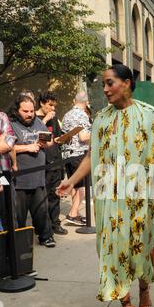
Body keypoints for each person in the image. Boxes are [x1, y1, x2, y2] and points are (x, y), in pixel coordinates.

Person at [57, 65, 154, 307]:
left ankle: (144, 288)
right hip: (109, 199)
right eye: (104, 84)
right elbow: (90, 157)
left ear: (127, 83)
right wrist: (71, 181)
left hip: (141, 197)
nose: (105, 89)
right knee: (110, 252)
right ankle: (126, 305)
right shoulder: (101, 119)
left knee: (140, 249)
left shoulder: (149, 114)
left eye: (110, 83)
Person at [10, 95, 56, 247]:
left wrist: (46, 143)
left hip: (38, 177)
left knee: (41, 211)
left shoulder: (37, 121)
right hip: (19, 180)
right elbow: (6, 146)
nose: (29, 114)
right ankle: (20, 245)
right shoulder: (11, 124)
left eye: (31, 111)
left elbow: (49, 140)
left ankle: (46, 237)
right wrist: (27, 147)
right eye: (25, 111)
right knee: (18, 215)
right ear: (17, 110)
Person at [36, 91, 68, 235]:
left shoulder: (54, 119)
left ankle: (55, 223)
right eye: (50, 105)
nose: (52, 109)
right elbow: (32, 135)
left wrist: (64, 138)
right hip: (41, 162)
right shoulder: (33, 117)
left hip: (55, 159)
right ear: (42, 103)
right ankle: (43, 227)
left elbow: (57, 136)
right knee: (41, 197)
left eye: (54, 106)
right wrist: (44, 120)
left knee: (55, 194)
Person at [61, 92, 92, 226]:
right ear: (86, 102)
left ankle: (76, 213)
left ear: (74, 101)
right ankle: (73, 214)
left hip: (67, 155)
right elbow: (83, 137)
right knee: (82, 187)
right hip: (79, 154)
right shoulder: (82, 115)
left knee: (74, 184)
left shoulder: (67, 115)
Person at [0, 110, 17, 230]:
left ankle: (8, 246)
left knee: (7, 209)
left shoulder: (1, 116)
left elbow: (8, 144)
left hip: (2, 174)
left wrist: (2, 144)